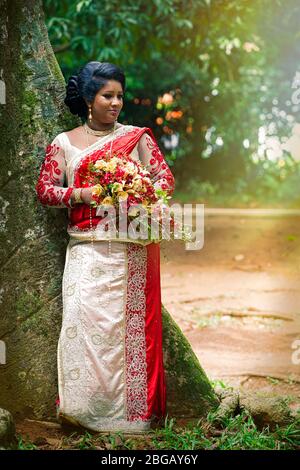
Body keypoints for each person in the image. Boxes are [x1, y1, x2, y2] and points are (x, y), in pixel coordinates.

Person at [35, 61, 175, 434]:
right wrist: (83, 193)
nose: (115, 103)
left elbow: (165, 179)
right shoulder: (64, 143)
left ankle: (131, 418)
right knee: (81, 324)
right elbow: (46, 191)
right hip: (86, 248)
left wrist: (139, 192)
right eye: (107, 96)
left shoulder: (137, 137)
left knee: (130, 332)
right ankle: (83, 410)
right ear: (87, 99)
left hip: (131, 250)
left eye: (119, 96)